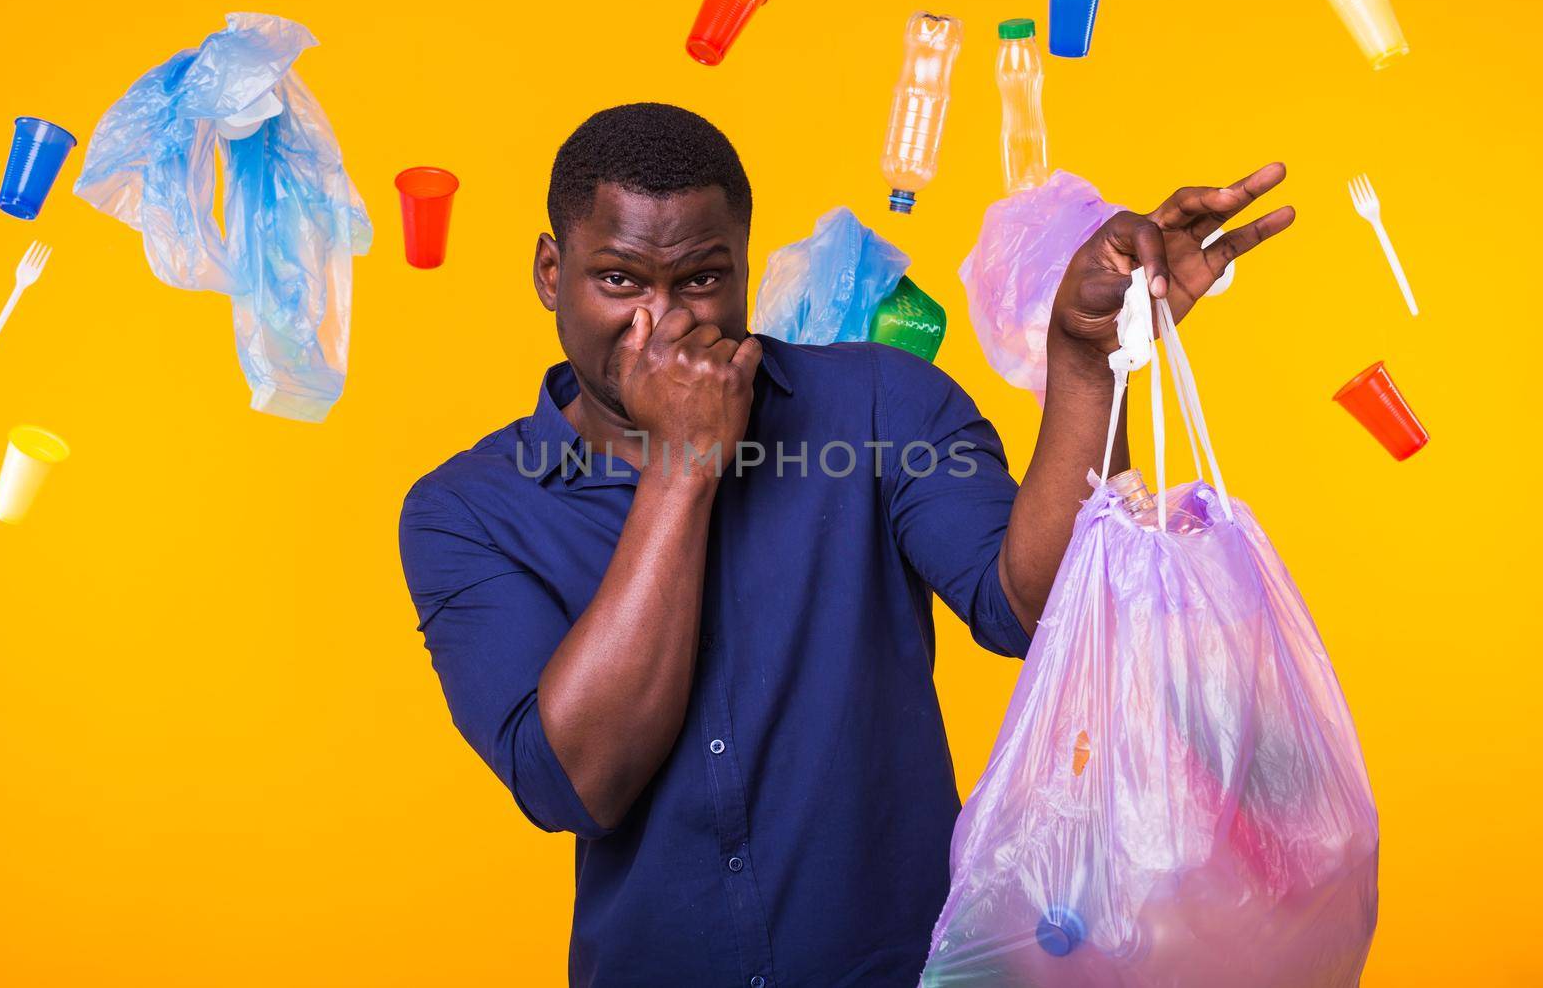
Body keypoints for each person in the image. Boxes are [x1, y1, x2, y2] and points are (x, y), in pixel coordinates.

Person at [397, 103, 1293, 987]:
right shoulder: (467, 510)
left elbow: (1039, 612)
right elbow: (576, 783)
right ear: (553, 272)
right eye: (621, 280)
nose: (663, 324)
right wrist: (683, 465)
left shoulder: (880, 406)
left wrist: (1089, 357)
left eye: (702, 279)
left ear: (746, 264)